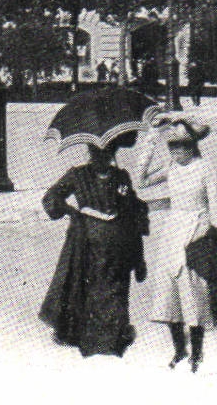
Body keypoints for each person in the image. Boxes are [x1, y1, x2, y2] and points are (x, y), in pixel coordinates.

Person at [137, 116, 217, 372]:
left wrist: (215, 233)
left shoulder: (206, 167)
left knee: (194, 292)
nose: (176, 150)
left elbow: (215, 203)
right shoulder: (171, 166)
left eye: (181, 145)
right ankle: (179, 349)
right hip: (173, 230)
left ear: (193, 145)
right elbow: (141, 180)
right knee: (169, 290)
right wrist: (152, 135)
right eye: (172, 145)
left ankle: (197, 352)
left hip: (198, 230)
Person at [39, 135, 149, 358]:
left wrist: (126, 197)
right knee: (85, 285)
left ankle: (113, 335)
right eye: (96, 153)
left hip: (117, 242)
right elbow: (50, 197)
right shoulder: (77, 174)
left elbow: (132, 209)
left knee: (115, 287)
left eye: (106, 152)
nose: (100, 157)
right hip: (85, 241)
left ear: (112, 153)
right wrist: (71, 211)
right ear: (90, 153)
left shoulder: (121, 176)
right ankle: (80, 333)